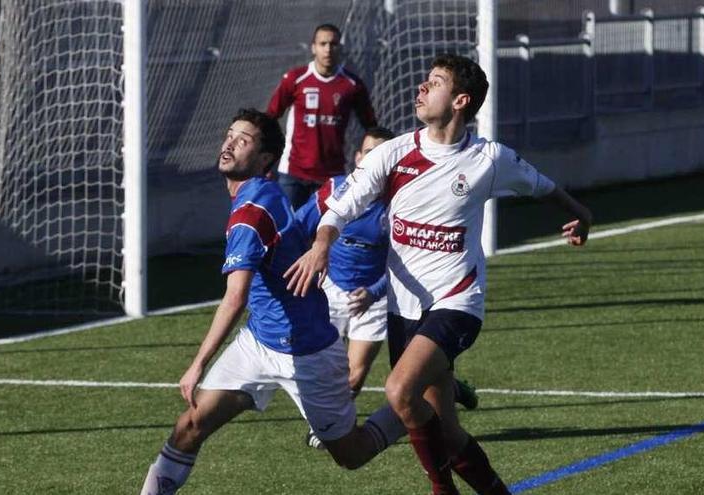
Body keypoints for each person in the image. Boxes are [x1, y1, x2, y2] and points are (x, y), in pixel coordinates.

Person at [284, 54, 592, 495]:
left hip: (458, 303)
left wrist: (582, 215)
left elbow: (544, 186)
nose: (422, 88)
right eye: (425, 80)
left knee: (398, 391)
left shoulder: (489, 159)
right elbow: (342, 206)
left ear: (461, 100)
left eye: (436, 82)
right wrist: (321, 243)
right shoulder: (393, 153)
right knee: (445, 428)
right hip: (404, 308)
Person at [138, 109, 404, 495]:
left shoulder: (250, 213)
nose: (229, 144)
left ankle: (415, 403)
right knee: (190, 426)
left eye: (242, 140)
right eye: (229, 135)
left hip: (309, 353)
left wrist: (197, 364)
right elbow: (316, 209)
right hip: (258, 344)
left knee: (352, 453)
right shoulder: (266, 192)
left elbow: (235, 298)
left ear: (264, 159)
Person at [295, 126, 479, 450]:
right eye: (367, 152)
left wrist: (375, 293)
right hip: (331, 289)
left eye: (380, 153)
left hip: (377, 295)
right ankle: (449, 385)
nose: (373, 159)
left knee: (354, 375)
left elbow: (403, 263)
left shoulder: (402, 200)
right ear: (357, 158)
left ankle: (331, 428)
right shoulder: (335, 191)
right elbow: (298, 226)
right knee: (321, 364)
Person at [266, 23, 377, 209]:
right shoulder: (295, 79)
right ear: (313, 47)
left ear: (340, 48)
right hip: (293, 173)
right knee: (288, 233)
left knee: (326, 234)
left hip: (332, 176)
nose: (328, 49)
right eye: (323, 44)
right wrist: (267, 162)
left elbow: (371, 127)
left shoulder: (352, 85)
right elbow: (270, 118)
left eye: (333, 44)